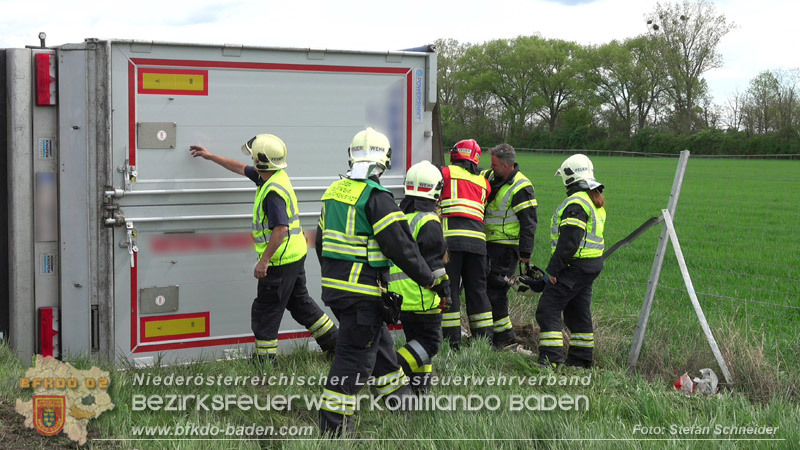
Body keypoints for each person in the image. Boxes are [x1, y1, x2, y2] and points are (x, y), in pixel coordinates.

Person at [316, 128, 448, 436]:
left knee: (384, 358)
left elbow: (321, 243)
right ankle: (333, 430)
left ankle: (407, 412)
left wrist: (336, 280)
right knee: (354, 363)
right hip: (363, 295)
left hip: (338, 292)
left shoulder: (333, 193)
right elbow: (401, 247)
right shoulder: (377, 198)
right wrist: (429, 280)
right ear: (384, 161)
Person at [189, 135, 338, 363]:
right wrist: (210, 156)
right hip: (294, 255)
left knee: (266, 311)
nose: (249, 159)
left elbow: (280, 230)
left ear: (260, 161)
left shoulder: (273, 193)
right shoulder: (274, 176)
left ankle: (265, 363)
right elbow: (239, 167)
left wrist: (264, 261)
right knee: (300, 304)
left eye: (252, 156)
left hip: (279, 261)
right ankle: (335, 344)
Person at [536, 154, 606, 369]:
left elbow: (569, 243)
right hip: (591, 265)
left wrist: (552, 271)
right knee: (578, 312)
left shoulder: (575, 203)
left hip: (575, 266)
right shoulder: (592, 199)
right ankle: (580, 362)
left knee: (548, 309)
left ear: (569, 177)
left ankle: (551, 362)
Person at [389, 160, 449, 394]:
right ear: (435, 189)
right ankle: (389, 372)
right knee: (430, 343)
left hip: (402, 297)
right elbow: (435, 266)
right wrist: (445, 293)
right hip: (423, 296)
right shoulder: (429, 221)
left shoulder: (400, 215)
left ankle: (419, 391)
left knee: (416, 344)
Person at [481, 144, 538, 351]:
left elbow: (529, 222)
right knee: (487, 290)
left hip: (506, 249)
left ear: (507, 165)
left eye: (495, 164)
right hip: (487, 244)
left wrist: (525, 254)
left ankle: (504, 339)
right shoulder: (489, 175)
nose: (491, 167)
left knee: (496, 291)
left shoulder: (522, 187)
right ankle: (496, 336)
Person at [439, 139, 493, 349]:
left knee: (450, 289)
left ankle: (451, 341)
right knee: (477, 290)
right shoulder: (484, 183)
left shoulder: (445, 174)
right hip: (478, 245)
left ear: (455, 154)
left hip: (450, 242)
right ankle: (483, 340)